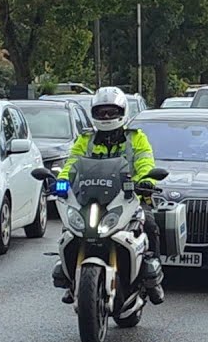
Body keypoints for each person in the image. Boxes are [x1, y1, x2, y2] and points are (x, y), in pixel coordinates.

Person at [52, 86, 165, 305]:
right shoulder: (86, 139)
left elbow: (144, 161)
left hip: (128, 197)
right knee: (70, 230)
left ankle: (153, 277)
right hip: (91, 198)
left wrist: (146, 181)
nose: (106, 117)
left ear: (122, 112)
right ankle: (71, 279)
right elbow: (73, 163)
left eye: (111, 112)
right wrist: (61, 181)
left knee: (149, 224)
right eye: (101, 112)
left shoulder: (136, 138)